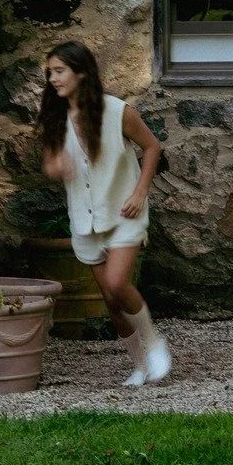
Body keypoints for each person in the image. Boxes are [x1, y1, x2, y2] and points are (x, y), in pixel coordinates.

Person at [38, 41, 172, 386]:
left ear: (81, 72)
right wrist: (56, 166)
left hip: (124, 211)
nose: (53, 78)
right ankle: (140, 366)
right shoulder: (55, 117)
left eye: (59, 71)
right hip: (85, 220)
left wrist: (140, 193)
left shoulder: (118, 111)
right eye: (50, 72)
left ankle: (155, 343)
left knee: (116, 282)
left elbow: (152, 146)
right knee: (111, 301)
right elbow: (50, 162)